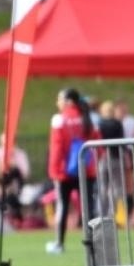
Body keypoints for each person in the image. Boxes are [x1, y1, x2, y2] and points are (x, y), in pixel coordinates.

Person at [46, 87, 99, 253]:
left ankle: (59, 243)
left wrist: (54, 171)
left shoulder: (59, 120)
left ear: (68, 101)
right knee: (89, 208)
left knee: (63, 207)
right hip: (86, 169)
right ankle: (93, 245)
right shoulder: (89, 118)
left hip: (64, 172)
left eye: (60, 99)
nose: (57, 103)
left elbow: (57, 148)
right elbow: (99, 145)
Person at [0, 138, 31, 226]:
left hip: (14, 185)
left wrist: (13, 162)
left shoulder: (19, 155)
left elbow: (24, 173)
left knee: (12, 199)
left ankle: (16, 219)